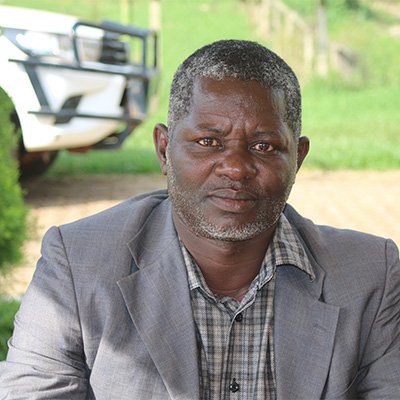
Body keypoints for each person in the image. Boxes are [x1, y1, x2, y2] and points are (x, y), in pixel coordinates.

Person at [0, 40, 399, 400]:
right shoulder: (77, 263)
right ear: (164, 149)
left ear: (297, 157)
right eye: (209, 142)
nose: (236, 167)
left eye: (263, 146)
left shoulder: (370, 277)